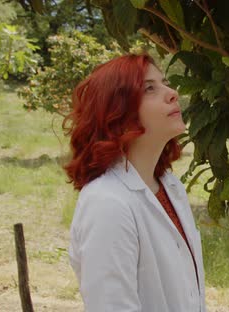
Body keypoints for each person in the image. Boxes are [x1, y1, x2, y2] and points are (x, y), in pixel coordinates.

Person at [64, 53, 206, 312]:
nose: (172, 92)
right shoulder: (107, 203)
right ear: (118, 111)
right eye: (150, 88)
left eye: (164, 83)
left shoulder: (169, 187)